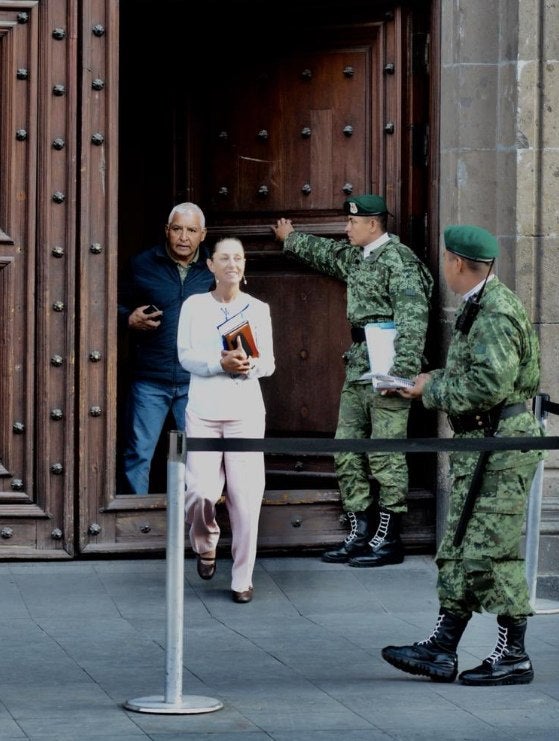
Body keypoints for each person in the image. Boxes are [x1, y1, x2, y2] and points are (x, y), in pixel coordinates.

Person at [381, 224, 545, 686]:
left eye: (445, 261)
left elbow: (488, 385)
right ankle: (442, 646)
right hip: (481, 446)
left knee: (494, 552)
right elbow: (478, 373)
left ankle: (512, 654)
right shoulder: (480, 304)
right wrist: (435, 377)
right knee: (459, 547)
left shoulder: (494, 311)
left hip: (501, 447)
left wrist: (431, 390)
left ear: (456, 262)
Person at [272, 195, 433, 567]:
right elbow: (327, 254)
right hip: (359, 361)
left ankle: (388, 538)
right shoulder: (360, 257)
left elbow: (414, 321)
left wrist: (401, 373)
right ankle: (360, 531)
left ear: (372, 225)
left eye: (352, 222)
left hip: (388, 366)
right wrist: (291, 237)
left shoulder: (400, 262)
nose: (346, 228)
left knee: (385, 452)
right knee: (347, 448)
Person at [177, 237, 275, 603]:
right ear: (211, 265)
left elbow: (269, 363)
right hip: (203, 410)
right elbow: (185, 355)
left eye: (238, 257)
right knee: (199, 491)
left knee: (246, 499)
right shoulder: (194, 306)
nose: (232, 263)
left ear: (244, 265)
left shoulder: (258, 308)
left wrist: (248, 365)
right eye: (224, 258)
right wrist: (218, 362)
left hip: (245, 413)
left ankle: (242, 578)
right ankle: (205, 543)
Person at [117, 202, 214, 494]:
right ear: (167, 231)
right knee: (138, 455)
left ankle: (191, 522)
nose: (184, 237)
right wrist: (127, 318)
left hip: (195, 382)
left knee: (197, 457)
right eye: (177, 229)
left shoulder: (215, 269)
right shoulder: (141, 264)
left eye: (191, 230)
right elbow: (110, 302)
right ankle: (136, 524)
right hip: (150, 379)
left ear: (203, 234)